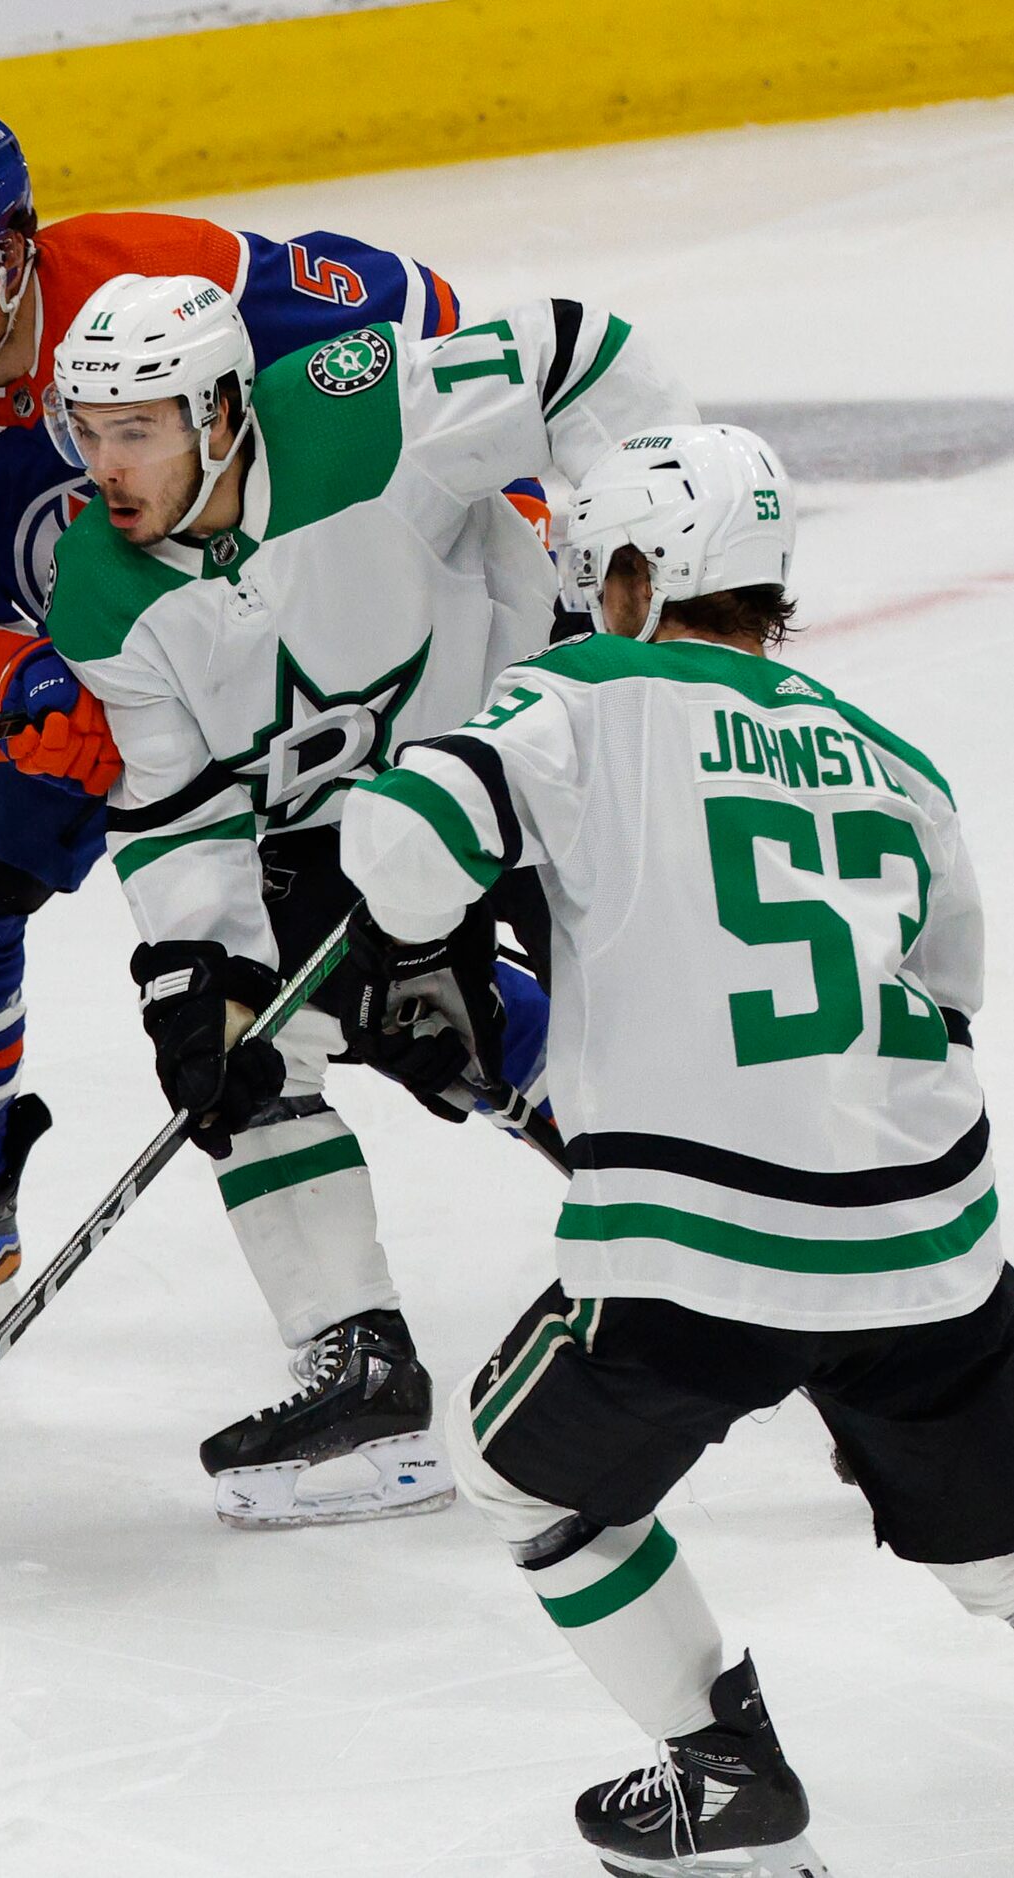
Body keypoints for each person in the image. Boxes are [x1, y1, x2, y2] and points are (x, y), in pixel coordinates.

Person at [336, 425, 1013, 1876]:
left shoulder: (588, 688)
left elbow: (402, 851)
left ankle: (726, 1780)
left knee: (518, 1473)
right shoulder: (899, 761)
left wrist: (409, 937)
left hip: (702, 1249)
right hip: (931, 1235)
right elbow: (947, 986)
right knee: (997, 1546)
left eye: (594, 569)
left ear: (638, 575)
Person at [0, 100, 509, 1351]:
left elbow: (421, 325)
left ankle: (643, 1149)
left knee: (375, 976)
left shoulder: (166, 280)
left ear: (12, 252)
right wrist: (10, 691)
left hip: (300, 655)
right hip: (114, 704)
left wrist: (500, 506)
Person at [46, 272, 692, 1526]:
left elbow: (578, 349)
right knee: (256, 1053)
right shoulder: (97, 590)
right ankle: (364, 1369)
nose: (106, 465)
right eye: (88, 430)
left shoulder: (365, 407)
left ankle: (800, 1278)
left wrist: (634, 571)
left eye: (138, 429)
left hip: (543, 751)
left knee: (656, 1018)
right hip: (354, 836)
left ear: (223, 412)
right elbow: (180, 816)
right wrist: (201, 979)